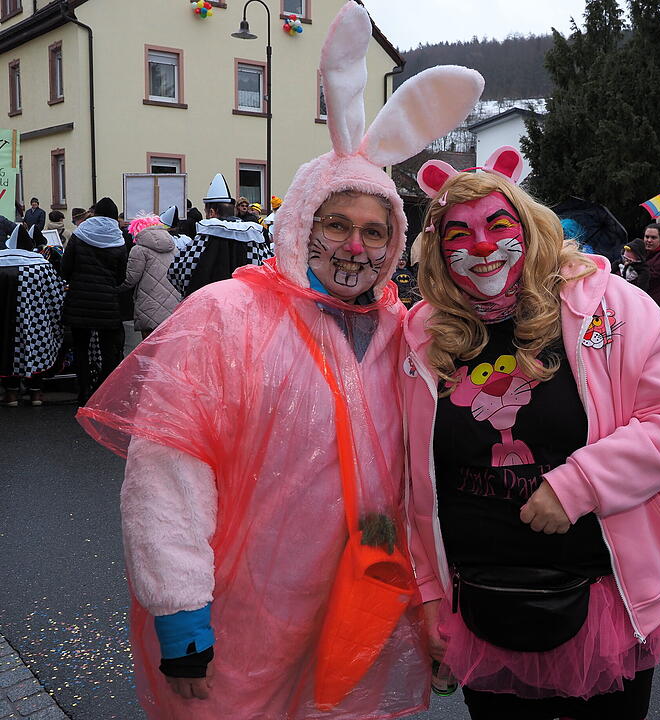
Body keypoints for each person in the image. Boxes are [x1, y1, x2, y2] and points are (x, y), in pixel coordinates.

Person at [75, 3, 483, 717]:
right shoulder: (227, 317)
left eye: (373, 231)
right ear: (300, 223)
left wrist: (434, 607)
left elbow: (425, 484)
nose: (355, 247)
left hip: (358, 606)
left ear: (395, 243)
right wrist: (181, 612)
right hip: (240, 612)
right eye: (336, 223)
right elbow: (168, 472)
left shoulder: (405, 334)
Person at [404, 147, 660, 720]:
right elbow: (406, 479)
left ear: (529, 226)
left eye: (500, 226)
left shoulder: (612, 308)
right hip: (481, 604)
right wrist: (428, 597)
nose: (483, 246)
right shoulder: (421, 333)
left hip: (601, 596)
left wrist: (577, 486)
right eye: (459, 234)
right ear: (436, 251)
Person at [61, 197, 128, 406]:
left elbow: (65, 268)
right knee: (108, 349)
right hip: (107, 302)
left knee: (80, 348)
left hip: (79, 298)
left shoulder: (79, 235)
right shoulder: (118, 239)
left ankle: (83, 392)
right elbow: (121, 276)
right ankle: (104, 394)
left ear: (96, 213)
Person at [167, 174, 274, 297]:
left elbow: (178, 272)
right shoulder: (254, 237)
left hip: (208, 305)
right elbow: (268, 271)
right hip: (246, 306)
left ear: (212, 212)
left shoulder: (204, 238)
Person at [0, 242, 66, 406]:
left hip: (5, 318)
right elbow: (56, 296)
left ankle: (11, 393)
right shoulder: (41, 265)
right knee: (36, 348)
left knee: (8, 351)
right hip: (37, 320)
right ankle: (36, 392)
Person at [118, 215, 182, 340]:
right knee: (166, 348)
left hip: (149, 305)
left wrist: (116, 288)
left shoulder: (139, 250)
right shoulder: (173, 247)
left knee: (149, 350)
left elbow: (131, 278)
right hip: (173, 305)